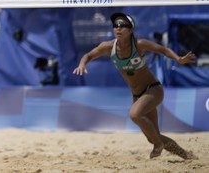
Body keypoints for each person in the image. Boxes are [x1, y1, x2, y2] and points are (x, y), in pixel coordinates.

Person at [73, 12, 197, 160]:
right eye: (116, 25)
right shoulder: (108, 46)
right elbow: (89, 55)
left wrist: (178, 59)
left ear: (131, 30)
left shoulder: (139, 44)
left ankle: (159, 146)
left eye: (123, 25)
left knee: (135, 114)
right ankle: (187, 156)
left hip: (153, 89)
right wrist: (82, 64)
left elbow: (163, 50)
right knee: (152, 137)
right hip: (137, 95)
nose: (118, 28)